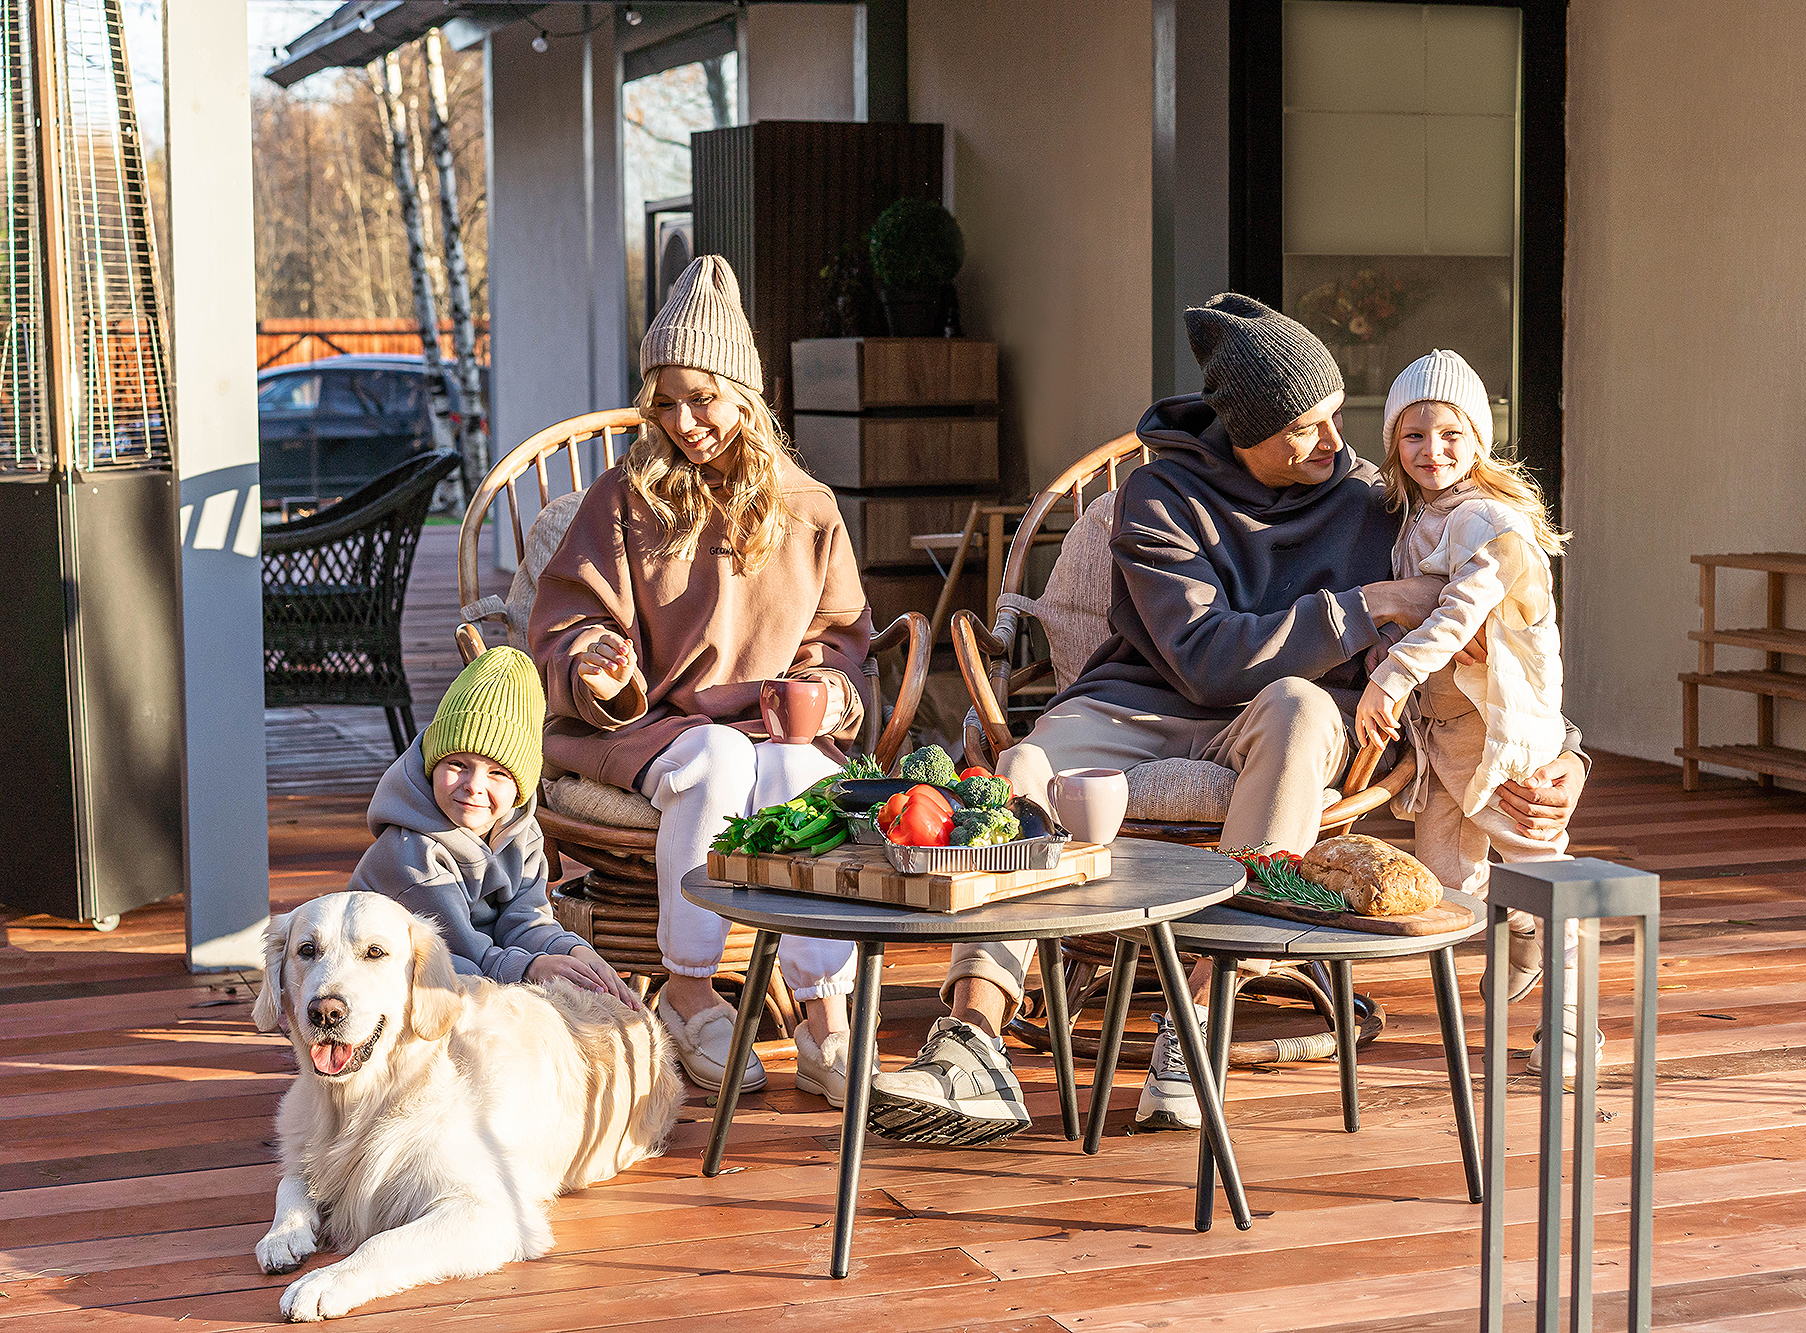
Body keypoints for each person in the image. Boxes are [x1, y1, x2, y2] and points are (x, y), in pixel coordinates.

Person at [869, 295, 1588, 1146]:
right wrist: (1364, 605)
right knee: (1023, 768)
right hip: (1139, 702)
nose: (1334, 443)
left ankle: (1197, 1021)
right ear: (1245, 433)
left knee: (1297, 703)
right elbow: (1204, 657)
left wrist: (1566, 754)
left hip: (1278, 722)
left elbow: (1503, 620)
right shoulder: (1158, 495)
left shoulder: (1369, 498)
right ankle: (973, 1040)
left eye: (1335, 419)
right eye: (1306, 428)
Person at [530, 257, 872, 1108]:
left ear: (745, 396)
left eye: (705, 397)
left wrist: (828, 693)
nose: (686, 421)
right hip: (650, 729)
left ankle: (823, 1013)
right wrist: (596, 664)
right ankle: (688, 992)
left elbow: (840, 643)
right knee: (717, 758)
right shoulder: (620, 499)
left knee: (805, 780)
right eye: (667, 401)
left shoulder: (808, 509)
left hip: (774, 727)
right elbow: (567, 624)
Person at [1355, 350, 1590, 1075]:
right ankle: (1516, 923)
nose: (1434, 451)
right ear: (1395, 444)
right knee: (1445, 877)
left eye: (1451, 434)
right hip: (1443, 734)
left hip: (1503, 730)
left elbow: (1457, 616)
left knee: (1541, 866)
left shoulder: (1488, 520)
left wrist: (1388, 680)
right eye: (1415, 435)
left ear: (1479, 440)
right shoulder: (1416, 518)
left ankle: (1573, 1025)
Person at [349, 646, 641, 1008]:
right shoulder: (411, 853)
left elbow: (525, 918)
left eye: (498, 773)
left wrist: (569, 950)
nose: (474, 785)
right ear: (431, 764)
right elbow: (452, 952)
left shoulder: (522, 833)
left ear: (521, 784)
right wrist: (531, 967)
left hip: (480, 969)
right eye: (457, 764)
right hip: (404, 983)